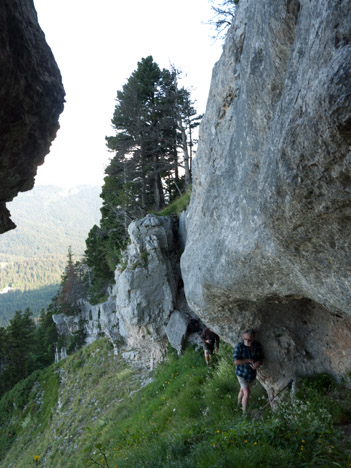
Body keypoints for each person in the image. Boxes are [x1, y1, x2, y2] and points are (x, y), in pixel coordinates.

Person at [233, 329, 263, 413]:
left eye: (249, 339)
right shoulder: (239, 346)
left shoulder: (257, 345)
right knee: (247, 392)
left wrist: (258, 363)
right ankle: (244, 414)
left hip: (251, 374)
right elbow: (236, 361)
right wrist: (248, 360)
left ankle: (238, 405)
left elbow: (261, 358)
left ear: (253, 338)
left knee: (242, 390)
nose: (246, 341)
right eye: (245, 339)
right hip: (241, 373)